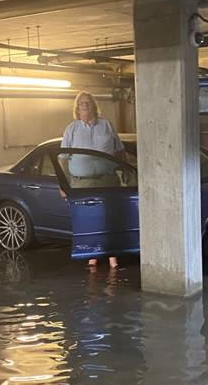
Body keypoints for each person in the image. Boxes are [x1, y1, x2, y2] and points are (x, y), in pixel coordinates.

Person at [61, 91, 125, 270]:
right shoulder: (71, 129)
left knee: (110, 218)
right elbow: (63, 159)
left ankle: (112, 256)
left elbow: (120, 151)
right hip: (82, 183)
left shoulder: (107, 125)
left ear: (94, 106)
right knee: (89, 220)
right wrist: (63, 184)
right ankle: (93, 255)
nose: (85, 106)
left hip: (107, 180)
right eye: (81, 103)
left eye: (88, 102)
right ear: (77, 108)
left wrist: (126, 173)